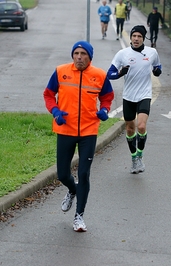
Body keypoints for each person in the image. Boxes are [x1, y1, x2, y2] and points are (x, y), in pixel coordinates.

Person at [43, 41, 114, 232]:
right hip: (65, 128)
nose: (79, 57)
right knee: (63, 174)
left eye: (83, 53)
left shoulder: (99, 75)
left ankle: (79, 216)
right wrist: (55, 111)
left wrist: (105, 110)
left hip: (88, 131)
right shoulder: (60, 72)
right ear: (72, 55)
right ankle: (73, 190)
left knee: (84, 173)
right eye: (76, 53)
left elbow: (107, 96)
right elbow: (49, 95)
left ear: (90, 57)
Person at [107, 25, 162, 174]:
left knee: (142, 126)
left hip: (144, 95)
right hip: (128, 96)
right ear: (130, 38)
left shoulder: (152, 52)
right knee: (130, 128)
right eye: (134, 36)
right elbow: (109, 74)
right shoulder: (122, 54)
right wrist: (120, 73)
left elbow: (158, 67)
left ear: (143, 38)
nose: (136, 39)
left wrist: (157, 71)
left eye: (139, 36)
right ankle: (133, 158)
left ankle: (140, 155)